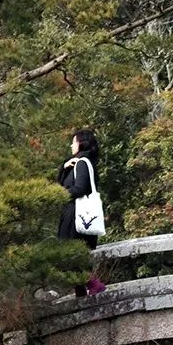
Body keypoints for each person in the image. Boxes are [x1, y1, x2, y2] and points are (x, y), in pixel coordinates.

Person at [57, 127, 106, 297]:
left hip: (77, 216)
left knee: (71, 256)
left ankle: (94, 284)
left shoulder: (83, 163)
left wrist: (61, 194)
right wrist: (64, 167)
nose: (71, 146)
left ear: (81, 143)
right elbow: (62, 184)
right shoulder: (78, 163)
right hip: (78, 216)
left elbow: (80, 189)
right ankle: (82, 297)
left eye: (73, 142)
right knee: (74, 258)